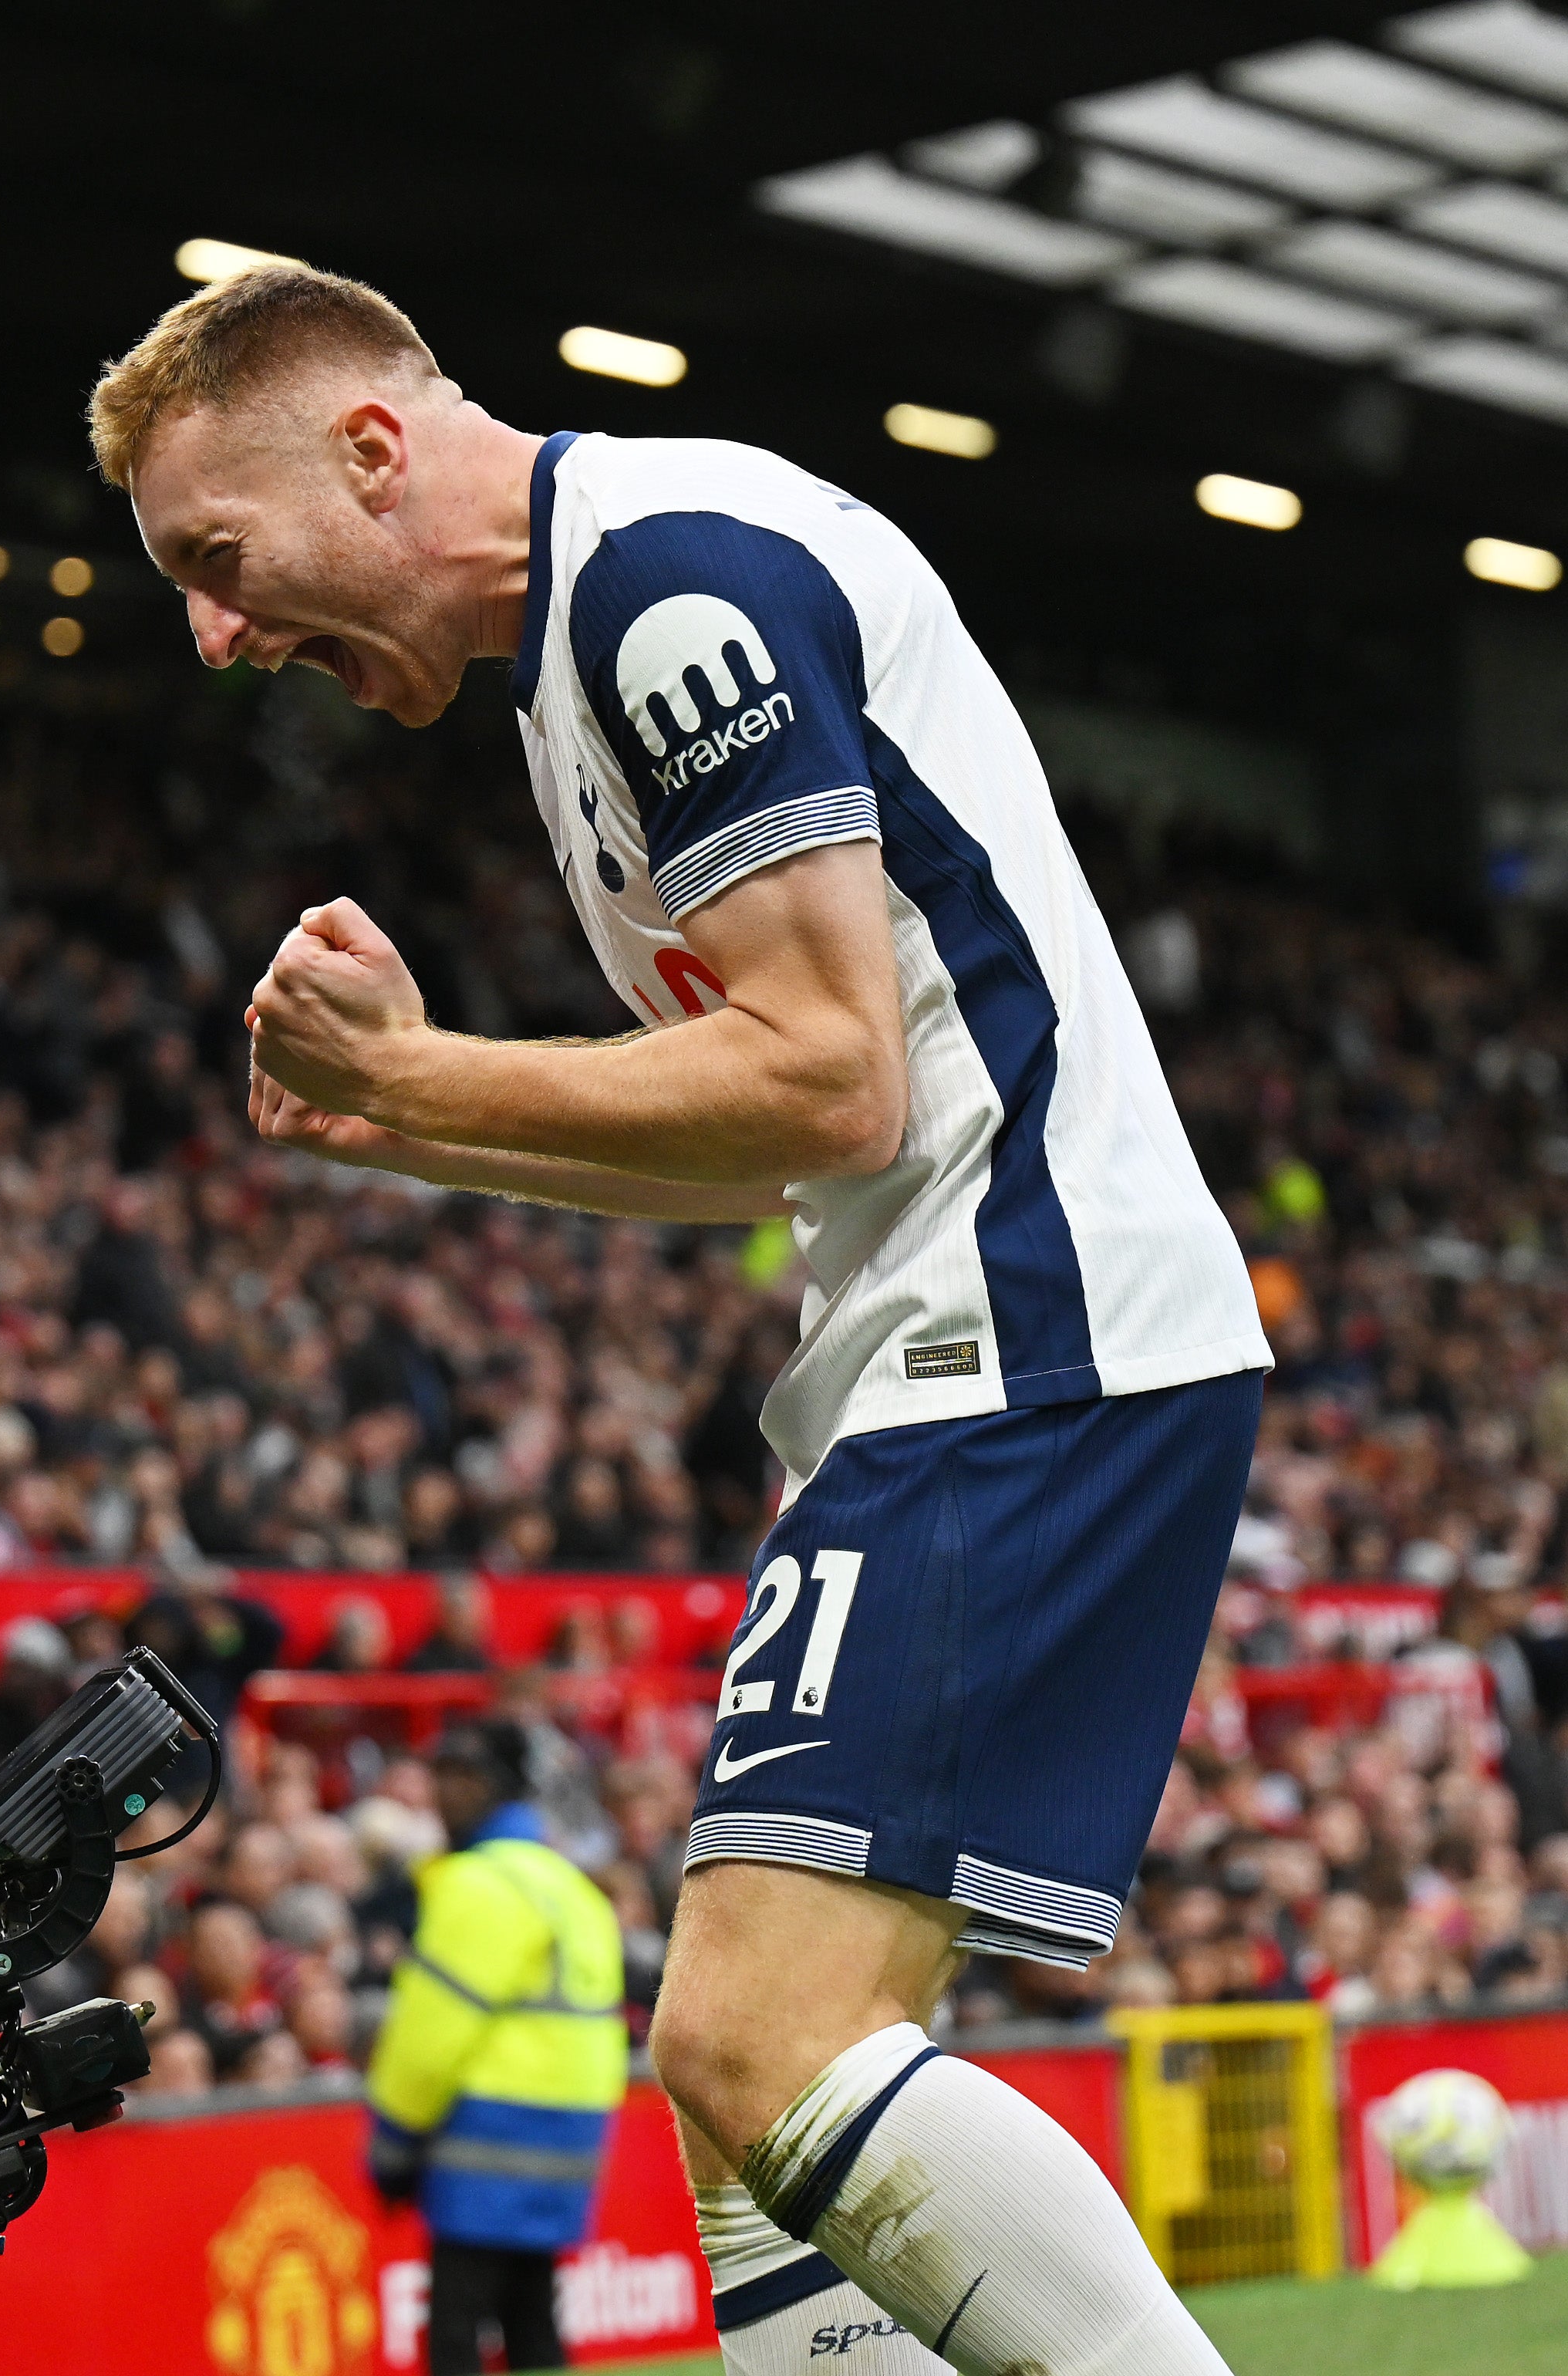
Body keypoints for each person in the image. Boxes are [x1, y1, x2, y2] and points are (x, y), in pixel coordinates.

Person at [96, 265, 1270, 2376]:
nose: (214, 636)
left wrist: (426, 1075)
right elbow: (769, 1153)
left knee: (754, 2035)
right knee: (744, 2108)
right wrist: (400, 1132)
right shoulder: (581, 654)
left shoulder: (665, 587)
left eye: (217, 558)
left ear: (370, 450)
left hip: (1019, 1332)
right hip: (958, 1339)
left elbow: (835, 1079)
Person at [362, 1725, 626, 2373]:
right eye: (441, 1772)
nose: (445, 1792)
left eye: (464, 1776)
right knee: (534, 2329)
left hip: (485, 2140)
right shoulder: (569, 1885)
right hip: (568, 2141)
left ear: (499, 1788)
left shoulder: (479, 1884)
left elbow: (428, 2040)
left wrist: (392, 2146)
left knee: (455, 2335)